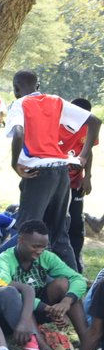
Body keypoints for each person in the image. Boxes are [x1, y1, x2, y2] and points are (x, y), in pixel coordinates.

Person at [6, 71, 100, 267]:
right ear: (37, 87)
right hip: (61, 171)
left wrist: (15, 163)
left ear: (15, 89)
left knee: (24, 229)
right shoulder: (55, 100)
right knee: (59, 233)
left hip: (39, 172)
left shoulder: (20, 103)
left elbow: (18, 133)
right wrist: (82, 156)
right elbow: (95, 122)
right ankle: (75, 282)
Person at [0, 219, 85, 350]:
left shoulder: (46, 257)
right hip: (14, 310)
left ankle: (87, 342)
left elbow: (77, 278)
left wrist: (65, 303)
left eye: (43, 246)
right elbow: (5, 290)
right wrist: (46, 307)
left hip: (41, 307)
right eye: (35, 246)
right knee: (16, 295)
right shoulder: (3, 261)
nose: (40, 251)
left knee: (64, 283)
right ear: (21, 240)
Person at [62, 97, 96, 271]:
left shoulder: (89, 127)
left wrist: (87, 176)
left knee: (75, 223)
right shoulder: (58, 124)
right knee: (58, 221)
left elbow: (88, 152)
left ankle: (75, 262)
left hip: (76, 182)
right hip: (57, 182)